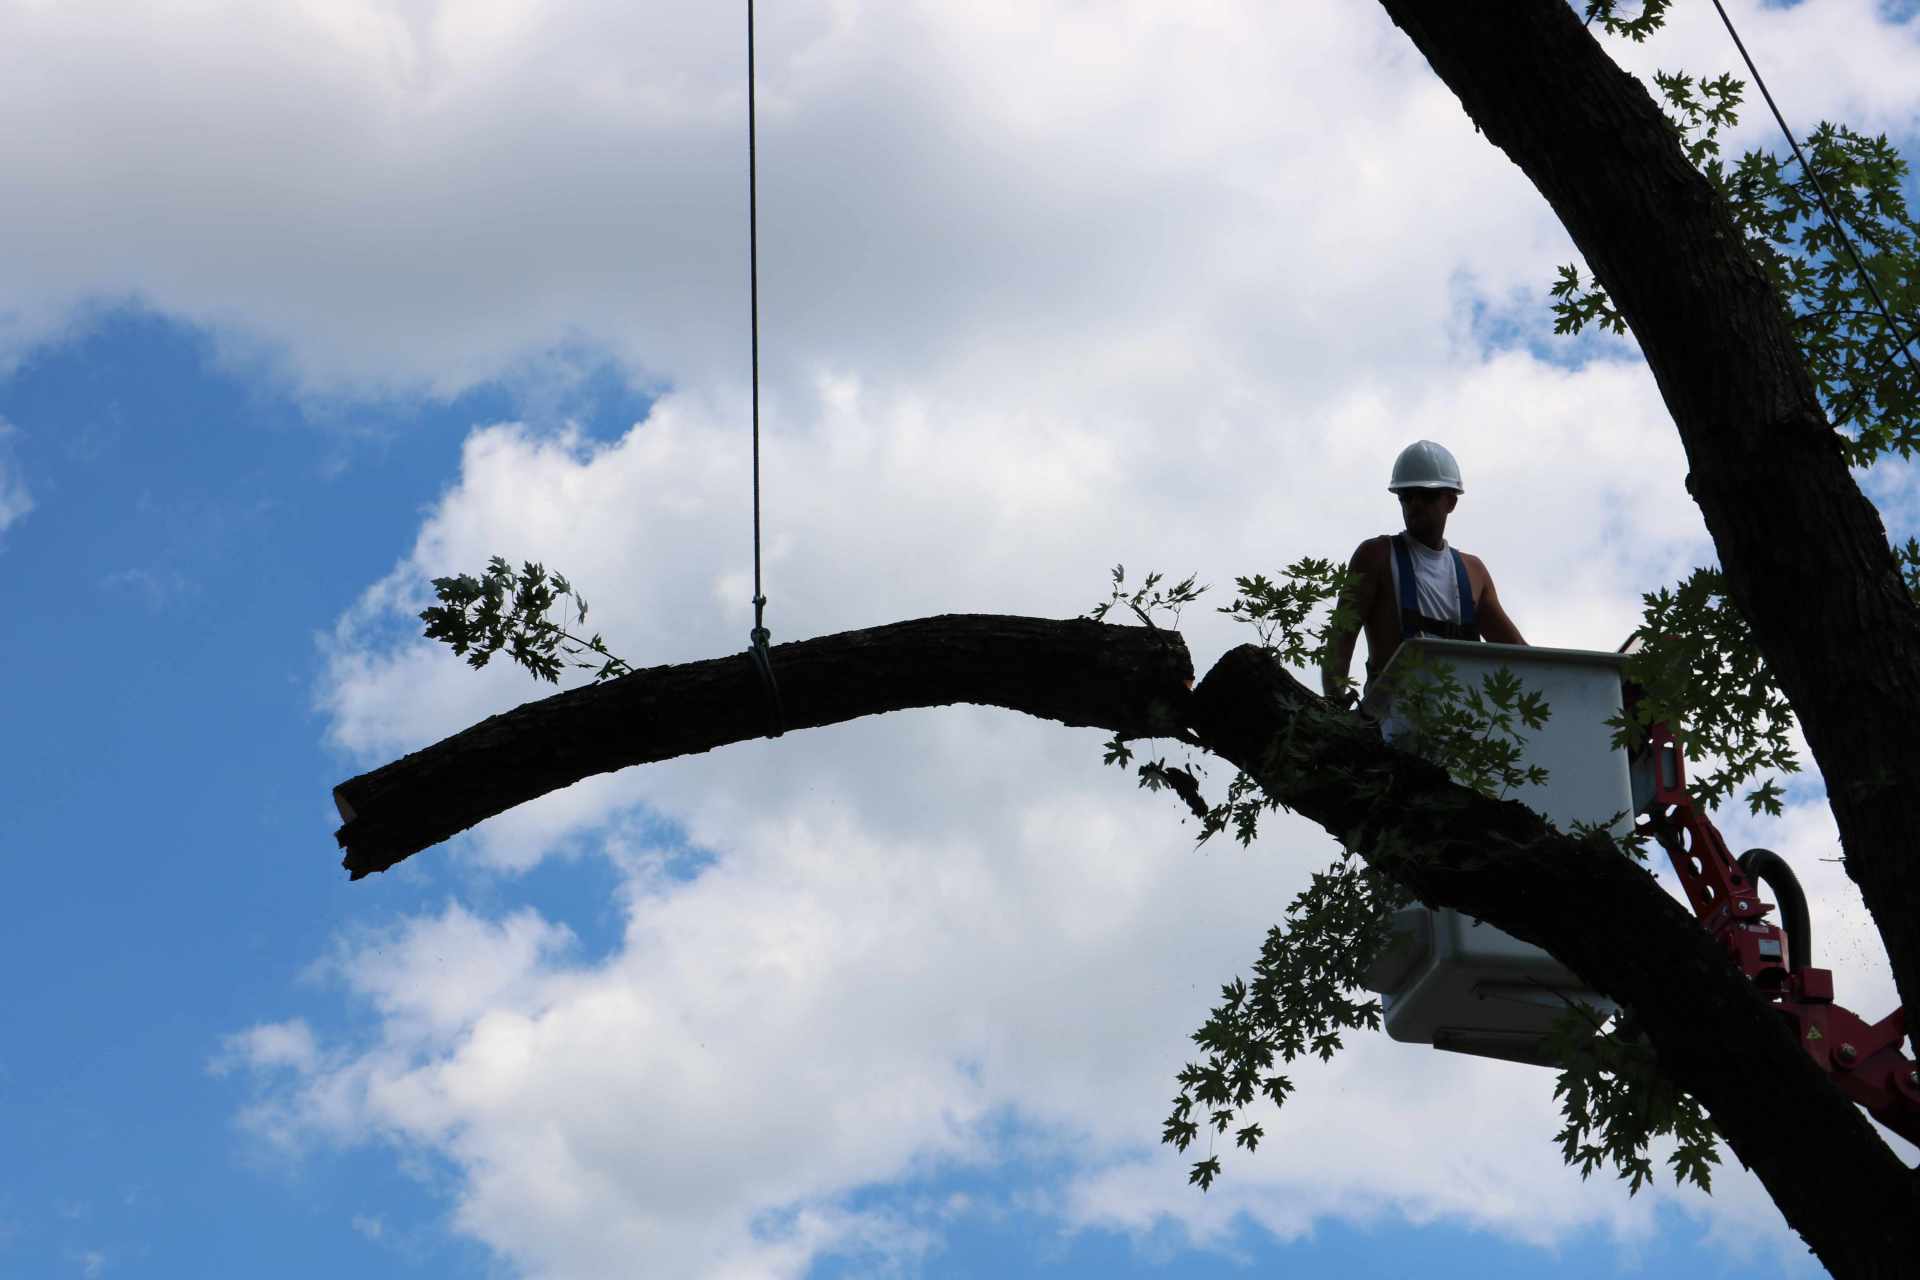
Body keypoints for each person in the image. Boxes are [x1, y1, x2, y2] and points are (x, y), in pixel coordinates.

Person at [1320, 440, 1525, 700]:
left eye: (1426, 495)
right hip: (1390, 723)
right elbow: (1341, 637)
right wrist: (1334, 700)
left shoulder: (1473, 572)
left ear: (1450, 501)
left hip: (1462, 724)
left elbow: (1520, 655)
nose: (1415, 504)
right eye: (1406, 496)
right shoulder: (1377, 557)